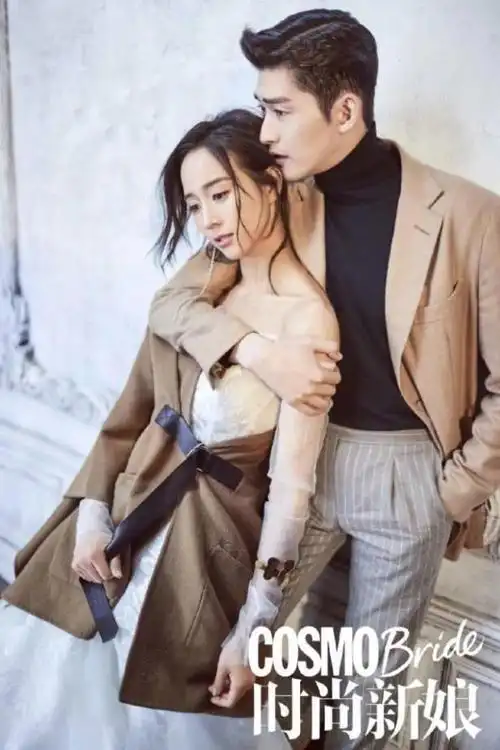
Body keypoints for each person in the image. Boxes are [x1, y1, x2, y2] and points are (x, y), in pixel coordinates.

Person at [147, 10, 500, 749]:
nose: (264, 131)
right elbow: (173, 305)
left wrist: (454, 491)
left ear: (345, 110)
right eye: (262, 109)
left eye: (279, 111)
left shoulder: (471, 216)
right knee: (232, 650)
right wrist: (254, 350)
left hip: (409, 478)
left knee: (367, 705)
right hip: (299, 460)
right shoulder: (272, 196)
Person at [0, 108, 340, 750]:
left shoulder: (309, 324)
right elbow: (133, 409)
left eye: (221, 193)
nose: (208, 218)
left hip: (205, 559)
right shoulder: (203, 281)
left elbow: (291, 497)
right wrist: (93, 514)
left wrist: (254, 631)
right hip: (125, 527)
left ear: (271, 183)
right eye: (194, 203)